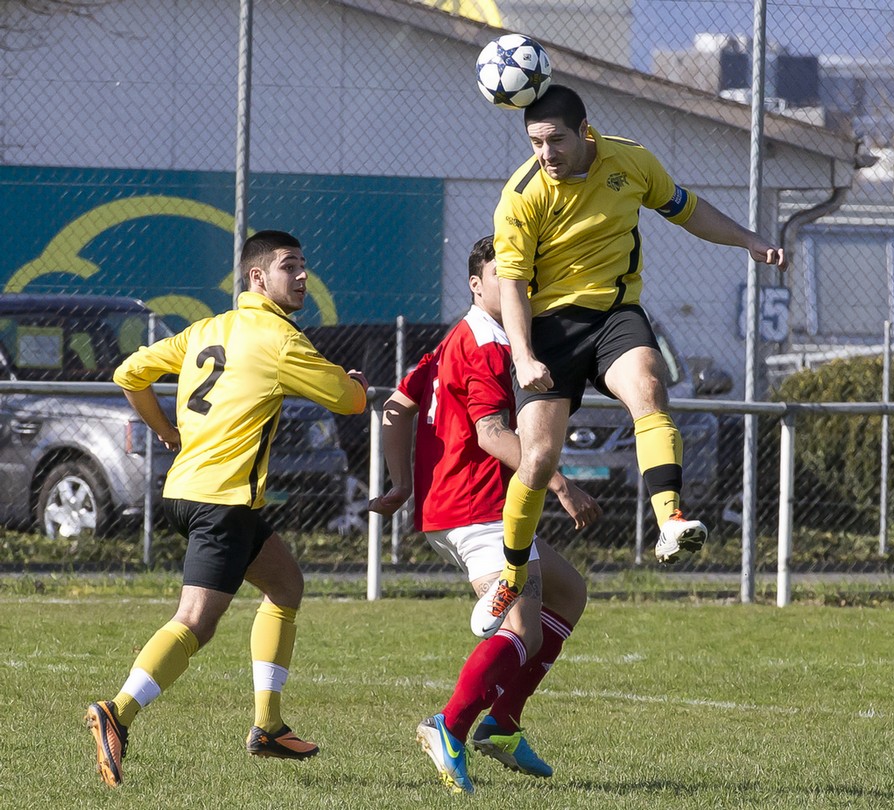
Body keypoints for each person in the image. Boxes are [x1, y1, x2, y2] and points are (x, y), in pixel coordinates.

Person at [480, 84, 788, 623]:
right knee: (538, 458)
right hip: (550, 326)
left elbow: (686, 209)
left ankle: (670, 521)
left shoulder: (631, 161)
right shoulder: (521, 196)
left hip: (616, 313)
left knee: (649, 389)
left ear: (585, 131)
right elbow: (512, 285)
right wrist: (524, 355)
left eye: (555, 140)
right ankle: (510, 577)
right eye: (535, 143)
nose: (546, 154)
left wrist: (749, 240)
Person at [85, 230, 368, 787]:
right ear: (257, 278)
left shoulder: (206, 330)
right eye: (291, 267)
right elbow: (352, 401)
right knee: (195, 622)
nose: (304, 276)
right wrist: (353, 382)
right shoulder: (280, 339)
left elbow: (128, 374)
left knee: (285, 586)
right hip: (223, 502)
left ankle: (268, 726)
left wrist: (165, 431)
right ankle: (117, 712)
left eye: (306, 265)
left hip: (189, 491)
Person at [368, 235, 601, 795]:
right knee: (521, 626)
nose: (519, 286)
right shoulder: (488, 346)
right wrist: (561, 483)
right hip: (477, 508)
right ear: (477, 284)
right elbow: (492, 433)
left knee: (568, 593)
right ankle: (448, 725)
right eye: (505, 276)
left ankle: (502, 722)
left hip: (458, 506)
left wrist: (403, 483)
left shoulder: (461, 336)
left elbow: (397, 407)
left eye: (524, 276)